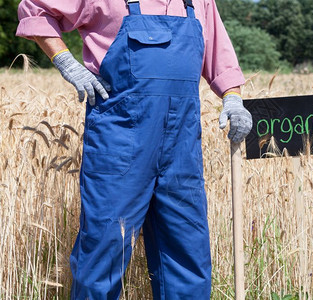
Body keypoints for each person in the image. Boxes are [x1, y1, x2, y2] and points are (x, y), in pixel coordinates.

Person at [16, 0, 252, 298]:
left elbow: (219, 53)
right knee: (104, 250)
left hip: (181, 149)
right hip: (120, 145)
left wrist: (233, 97)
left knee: (188, 252)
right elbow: (34, 9)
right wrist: (65, 61)